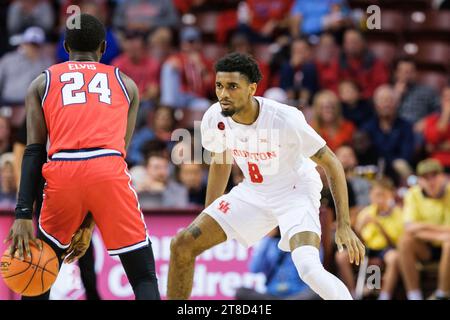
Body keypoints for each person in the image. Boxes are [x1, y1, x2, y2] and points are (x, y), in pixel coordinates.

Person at [167, 53, 365, 300]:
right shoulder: (214, 116)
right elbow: (221, 159)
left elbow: (332, 163)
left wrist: (344, 224)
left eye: (232, 87)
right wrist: (211, 210)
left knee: (309, 269)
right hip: (253, 192)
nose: (223, 94)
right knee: (182, 245)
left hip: (296, 192)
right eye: (219, 86)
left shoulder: (285, 119)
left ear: (252, 88)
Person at [5, 14, 160, 300]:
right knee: (143, 276)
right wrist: (88, 224)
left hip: (63, 172)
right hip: (108, 169)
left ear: (65, 47)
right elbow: (112, 158)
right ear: (103, 48)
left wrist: (23, 213)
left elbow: (34, 151)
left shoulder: (42, 82)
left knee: (38, 275)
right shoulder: (127, 85)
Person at [335, 178, 403, 300]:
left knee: (394, 258)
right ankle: (352, 294)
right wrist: (359, 229)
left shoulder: (397, 213)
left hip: (386, 248)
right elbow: (359, 241)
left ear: (390, 195)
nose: (378, 199)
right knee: (341, 256)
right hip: (367, 249)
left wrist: (379, 226)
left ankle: (384, 295)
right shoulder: (366, 212)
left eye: (382, 195)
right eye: (375, 195)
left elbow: (395, 243)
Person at [398, 159, 450, 300]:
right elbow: (409, 228)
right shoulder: (413, 194)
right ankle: (414, 295)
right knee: (404, 241)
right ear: (420, 180)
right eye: (426, 177)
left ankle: (442, 294)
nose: (431, 181)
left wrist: (421, 226)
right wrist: (440, 235)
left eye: (434, 176)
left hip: (445, 245)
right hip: (427, 246)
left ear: (443, 177)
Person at [235, 227, 320, 300]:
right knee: (241, 292)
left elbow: (314, 270)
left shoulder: (305, 240)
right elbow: (254, 269)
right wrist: (268, 237)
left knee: (316, 293)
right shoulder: (270, 243)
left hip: (297, 294)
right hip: (272, 295)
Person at [423, 84, 450, 171]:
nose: (449, 102)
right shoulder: (432, 120)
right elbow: (432, 140)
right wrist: (445, 115)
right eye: (446, 98)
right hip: (437, 166)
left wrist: (437, 147)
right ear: (441, 101)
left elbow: (433, 146)